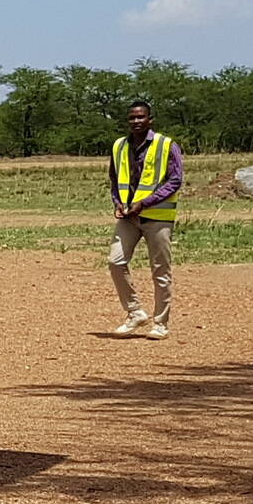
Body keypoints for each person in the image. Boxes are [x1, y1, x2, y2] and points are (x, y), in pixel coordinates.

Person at [107, 99, 181, 339]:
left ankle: (161, 323)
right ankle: (135, 312)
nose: (136, 121)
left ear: (150, 119)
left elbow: (174, 180)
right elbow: (115, 179)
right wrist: (119, 203)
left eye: (141, 117)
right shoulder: (119, 146)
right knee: (116, 261)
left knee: (160, 271)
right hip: (129, 217)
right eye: (132, 118)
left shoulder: (166, 145)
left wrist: (144, 203)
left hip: (157, 217)